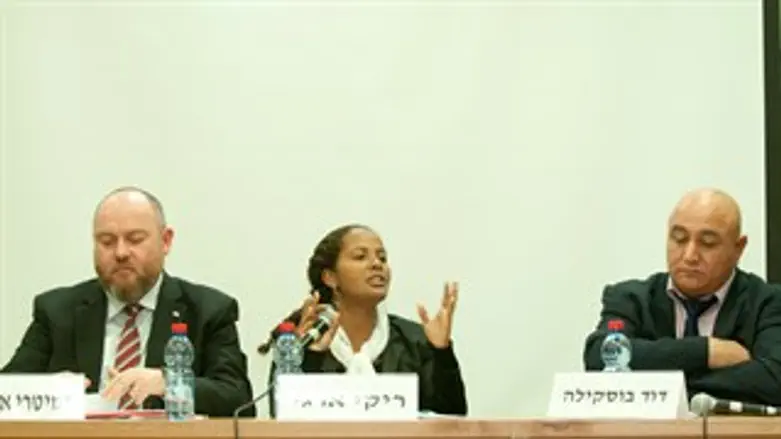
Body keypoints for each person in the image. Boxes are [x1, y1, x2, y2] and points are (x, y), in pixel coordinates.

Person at [1, 186, 255, 417]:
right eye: (107, 242)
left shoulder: (208, 310)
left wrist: (169, 383)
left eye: (135, 239)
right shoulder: (57, 311)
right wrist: (49, 390)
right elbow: (6, 392)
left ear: (166, 241)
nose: (120, 253)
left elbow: (239, 400)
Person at [583, 188, 781, 404]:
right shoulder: (632, 299)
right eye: (679, 239)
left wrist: (661, 383)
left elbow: (774, 380)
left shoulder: (767, 303)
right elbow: (601, 357)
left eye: (707, 243)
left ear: (738, 248)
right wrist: (705, 352)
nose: (689, 256)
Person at [258, 224, 468, 417]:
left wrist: (441, 352)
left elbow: (453, 420)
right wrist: (312, 355)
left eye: (382, 258)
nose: (377, 264)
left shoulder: (414, 340)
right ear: (330, 277)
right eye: (360, 257)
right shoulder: (301, 339)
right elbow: (284, 417)